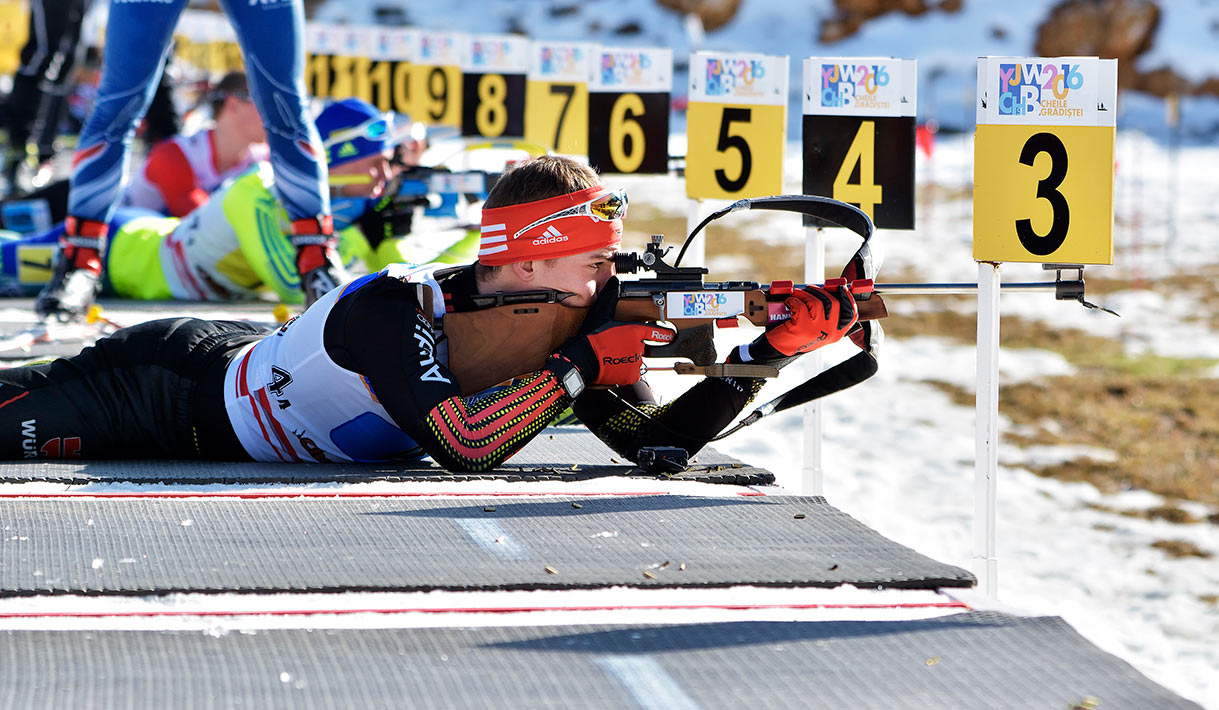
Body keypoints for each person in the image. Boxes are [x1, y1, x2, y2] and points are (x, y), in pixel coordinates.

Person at [0, 156, 858, 470]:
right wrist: (584, 365)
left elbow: (654, 445)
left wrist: (771, 350)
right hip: (155, 387)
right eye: (594, 262)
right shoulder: (395, 306)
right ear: (523, 258)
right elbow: (464, 443)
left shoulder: (559, 330)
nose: (608, 279)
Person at [35, 0, 336, 322]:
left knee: (286, 106)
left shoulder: (247, 152)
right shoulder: (181, 153)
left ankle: (317, 263)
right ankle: (80, 263)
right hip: (148, 235)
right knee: (118, 103)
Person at [0, 98, 427, 304]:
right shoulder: (259, 192)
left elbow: (413, 285)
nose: (385, 176)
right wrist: (362, 236)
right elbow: (296, 287)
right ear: (338, 159)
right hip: (120, 252)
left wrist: (481, 232)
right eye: (375, 164)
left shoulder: (343, 208)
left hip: (142, 250)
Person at [1, 71, 265, 230]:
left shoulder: (260, 161)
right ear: (234, 104)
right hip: (78, 209)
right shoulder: (176, 154)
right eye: (262, 101)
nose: (272, 113)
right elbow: (203, 222)